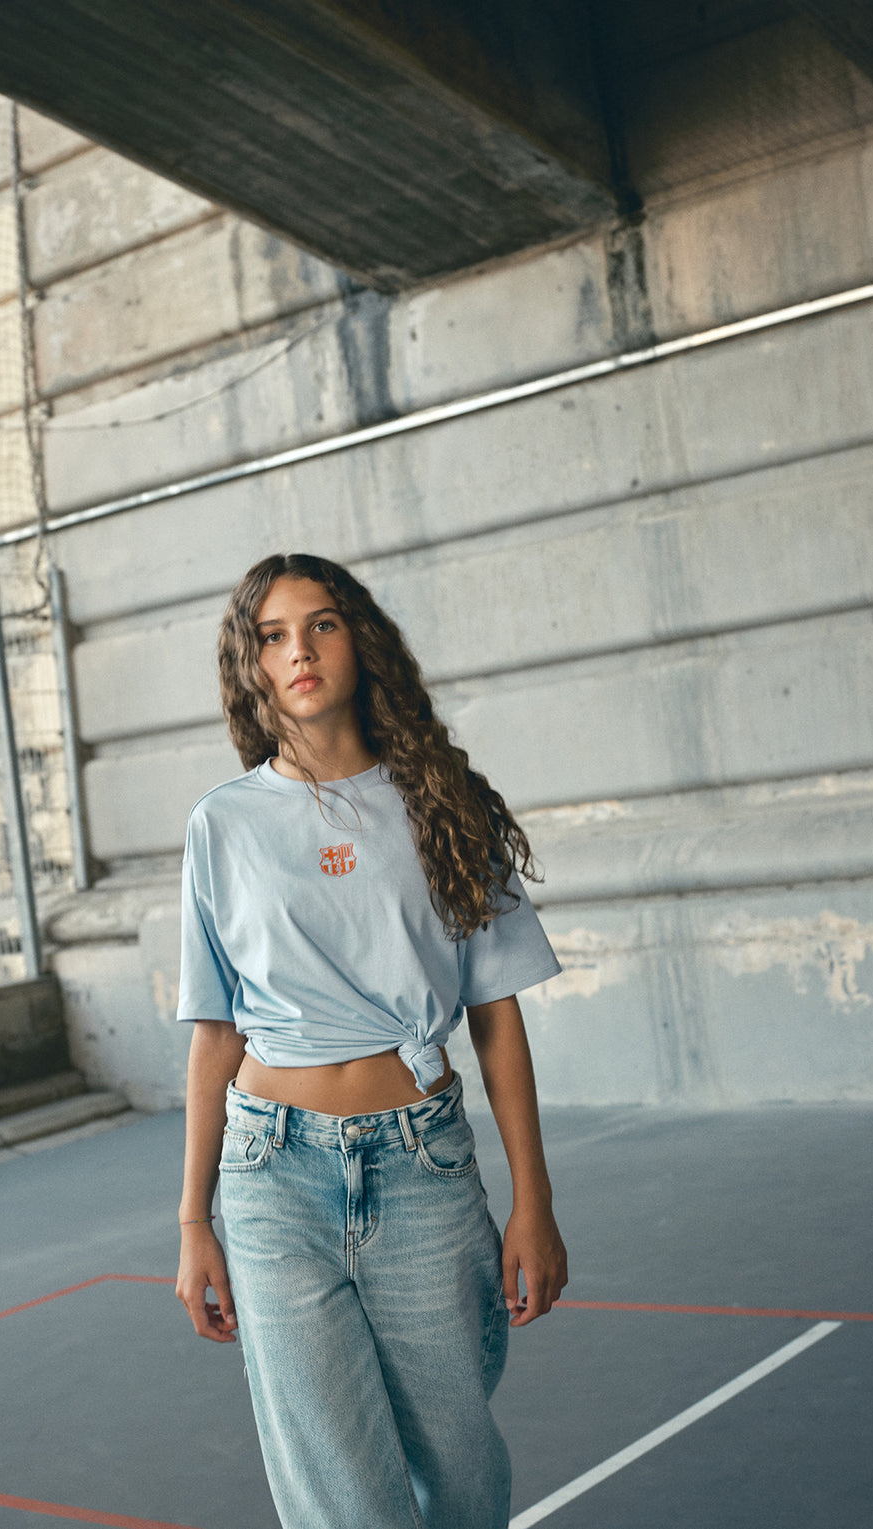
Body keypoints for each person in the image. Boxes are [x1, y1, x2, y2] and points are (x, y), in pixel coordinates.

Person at [175, 551, 567, 1529]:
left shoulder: (440, 803)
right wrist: (192, 1218)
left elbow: (496, 1015)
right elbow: (216, 1030)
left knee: (461, 1464)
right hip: (271, 1173)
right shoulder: (222, 826)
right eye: (272, 634)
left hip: (421, 1159)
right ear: (251, 663)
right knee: (340, 1492)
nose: (298, 649)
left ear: (362, 640)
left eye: (322, 624)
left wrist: (535, 1199)